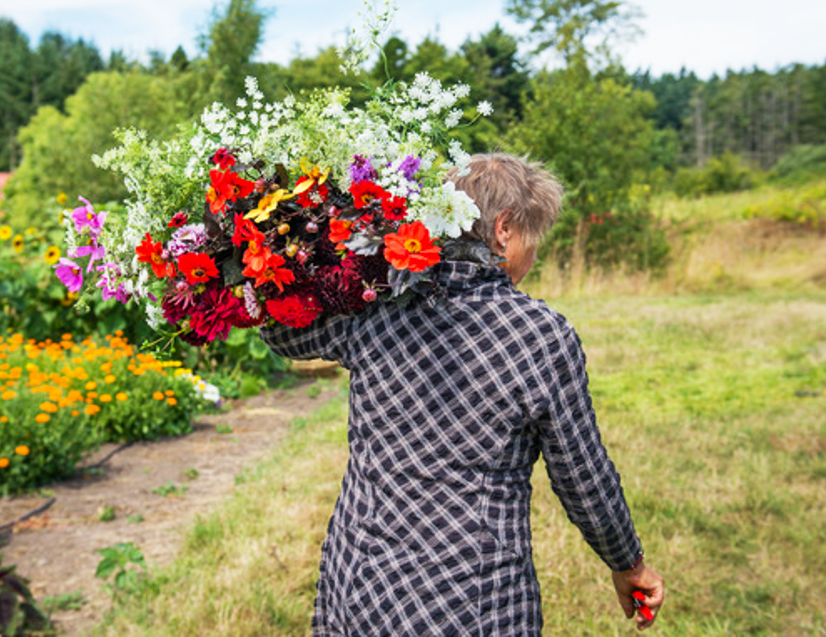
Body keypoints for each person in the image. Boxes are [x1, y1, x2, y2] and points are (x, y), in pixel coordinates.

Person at [261, 153, 665, 635]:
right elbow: (582, 476)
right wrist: (628, 563)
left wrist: (297, 254)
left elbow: (282, 333)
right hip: (471, 600)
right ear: (504, 228)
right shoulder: (539, 338)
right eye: (532, 238)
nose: (533, 257)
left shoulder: (378, 306)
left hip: (362, 585)